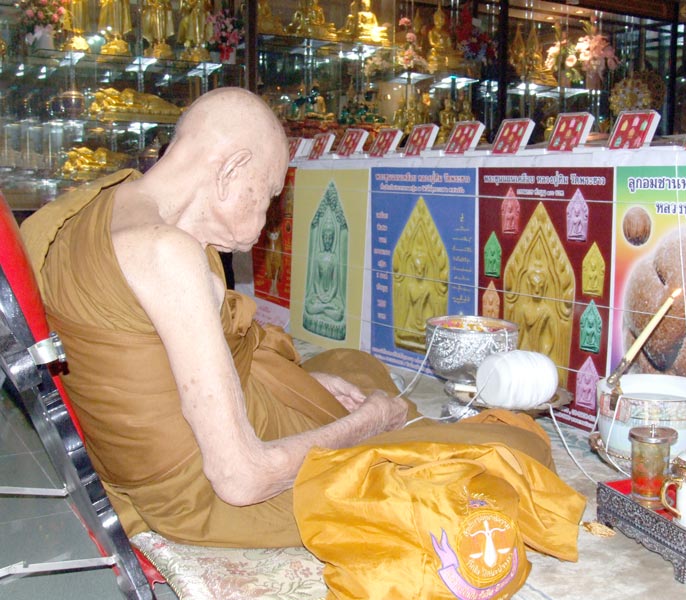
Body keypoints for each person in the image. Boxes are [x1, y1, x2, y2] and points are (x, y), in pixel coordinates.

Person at [22, 88, 558, 548]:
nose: (267, 219)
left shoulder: (101, 201)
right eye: (269, 195)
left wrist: (306, 385)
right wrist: (369, 424)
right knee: (509, 455)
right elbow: (241, 478)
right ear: (231, 169)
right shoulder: (166, 254)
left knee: (346, 365)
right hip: (206, 495)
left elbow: (153, 360)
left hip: (152, 447)